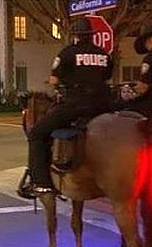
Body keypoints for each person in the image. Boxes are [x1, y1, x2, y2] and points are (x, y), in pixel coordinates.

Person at [26, 17, 113, 194]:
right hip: (104, 104)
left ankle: (41, 182)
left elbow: (54, 80)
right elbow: (106, 76)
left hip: (76, 104)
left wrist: (58, 85)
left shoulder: (67, 53)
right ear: (91, 36)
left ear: (75, 36)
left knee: (37, 134)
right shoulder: (104, 54)